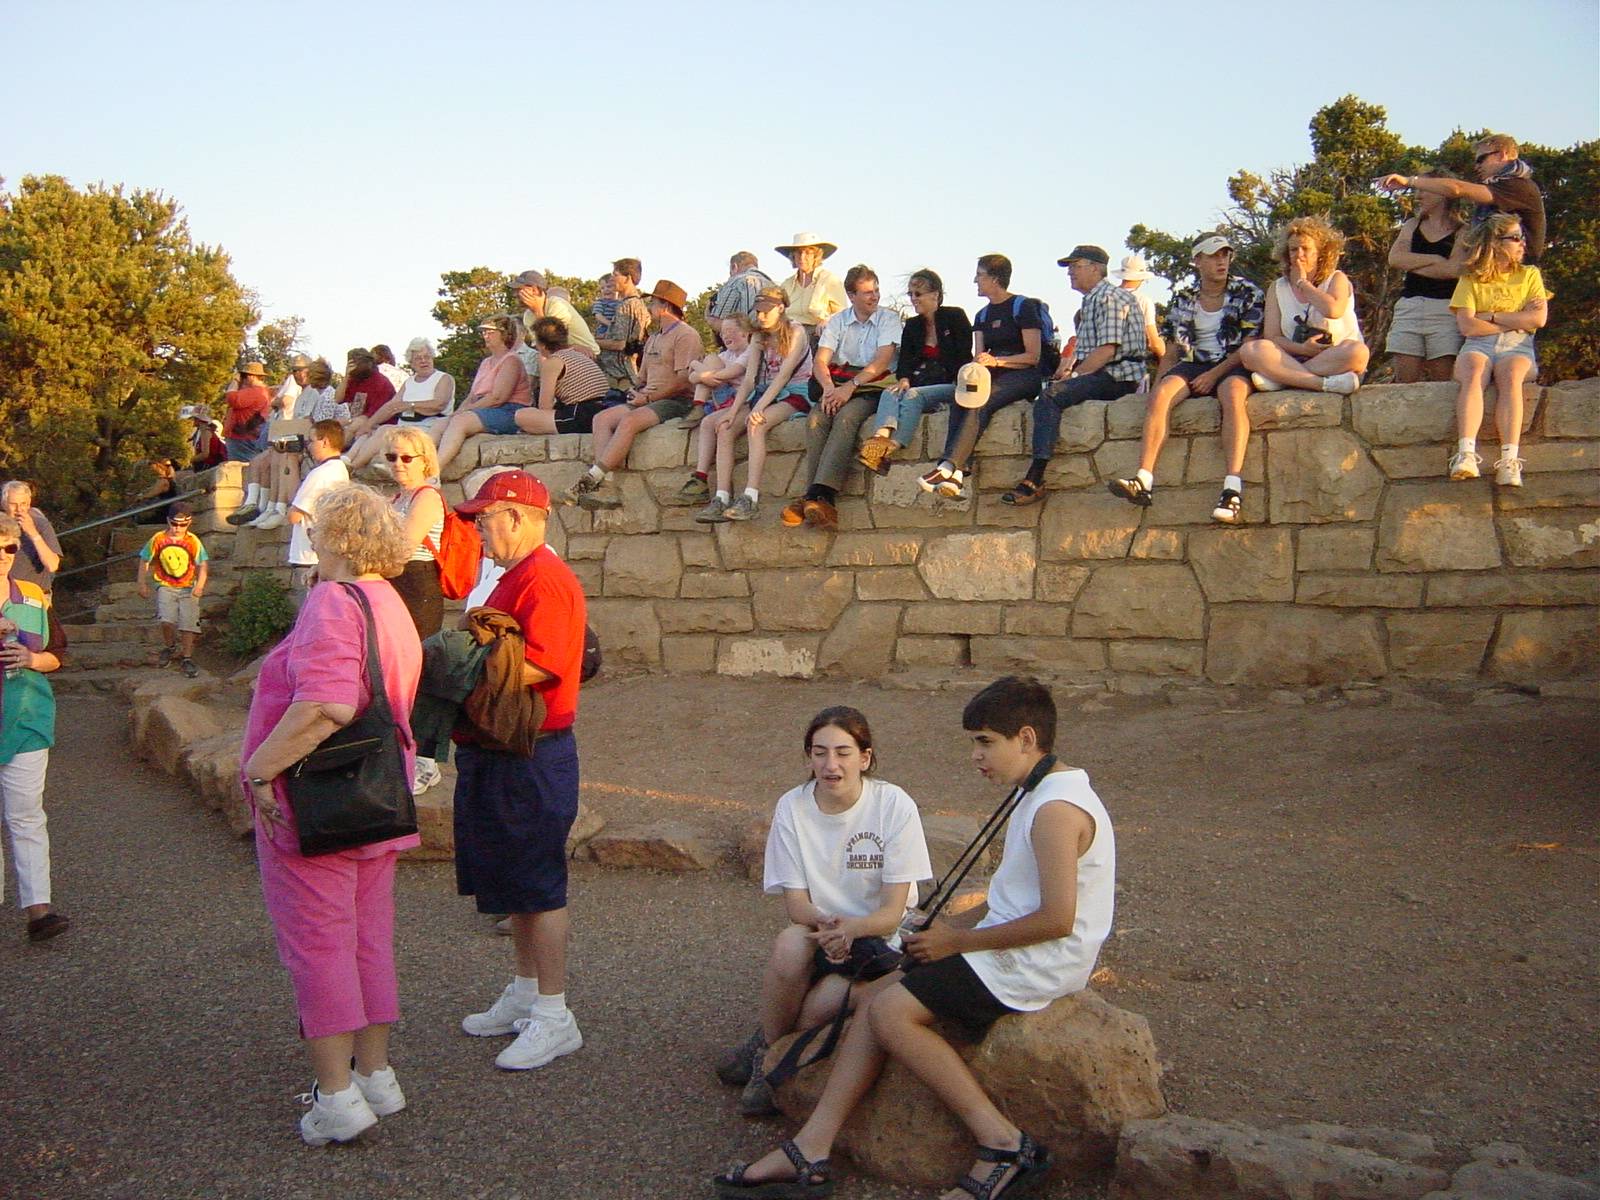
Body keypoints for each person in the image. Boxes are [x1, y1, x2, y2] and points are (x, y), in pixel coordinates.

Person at [714, 676, 1114, 1200]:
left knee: (888, 1011)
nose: (975, 756)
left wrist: (957, 943)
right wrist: (952, 936)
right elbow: (1021, 902)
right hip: (1011, 949)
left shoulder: (1055, 810)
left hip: (1034, 962)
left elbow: (1058, 920)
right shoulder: (1039, 791)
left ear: (1026, 738)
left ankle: (1003, 1144)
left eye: (984, 742)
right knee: (875, 999)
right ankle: (812, 1147)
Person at [240, 483, 422, 1146]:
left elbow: (327, 704)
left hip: (321, 800)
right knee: (366, 936)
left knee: (318, 942)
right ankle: (375, 1074)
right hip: (380, 795)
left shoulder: (329, 600)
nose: (310, 536)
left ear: (339, 538)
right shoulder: (389, 602)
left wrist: (259, 768)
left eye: (317, 527)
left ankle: (337, 1095)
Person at [716, 706, 932, 1116]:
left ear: (865, 758)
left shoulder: (893, 805)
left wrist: (850, 930)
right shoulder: (793, 808)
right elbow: (796, 904)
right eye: (819, 753)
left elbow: (891, 912)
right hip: (823, 929)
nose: (830, 765)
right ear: (809, 757)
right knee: (787, 946)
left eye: (843, 752)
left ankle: (771, 1043)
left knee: (821, 1003)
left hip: (876, 936)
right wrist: (828, 926)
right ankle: (770, 1057)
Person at [451, 470, 588, 1074]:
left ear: (516, 516)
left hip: (531, 751)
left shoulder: (545, 580)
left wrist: (462, 674)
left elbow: (546, 670)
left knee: (538, 882)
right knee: (517, 880)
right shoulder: (518, 576)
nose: (479, 526)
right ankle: (529, 992)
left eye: (486, 517)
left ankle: (555, 1015)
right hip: (506, 748)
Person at [1111, 235, 1266, 523]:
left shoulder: (1248, 293)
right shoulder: (1184, 298)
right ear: (1197, 260)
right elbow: (1171, 351)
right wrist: (1157, 386)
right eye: (1213, 255)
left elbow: (1250, 345)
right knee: (1162, 396)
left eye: (1225, 254)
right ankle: (1143, 479)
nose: (1221, 261)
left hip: (1233, 362)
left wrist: (1214, 375)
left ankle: (1232, 488)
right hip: (1194, 363)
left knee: (1233, 396)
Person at [1001, 245, 1149, 507]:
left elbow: (1106, 350)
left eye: (1075, 265)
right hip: (1104, 372)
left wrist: (1075, 377)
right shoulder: (1093, 299)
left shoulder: (1110, 298)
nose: (1069, 272)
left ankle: (1035, 477)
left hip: (1118, 376)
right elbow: (1086, 351)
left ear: (1095, 268)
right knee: (1052, 390)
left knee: (1051, 397)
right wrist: (1068, 371)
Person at [779, 266, 902, 531]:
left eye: (876, 290)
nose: (875, 297)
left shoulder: (888, 319)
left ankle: (819, 493)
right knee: (816, 419)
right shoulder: (837, 321)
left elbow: (881, 362)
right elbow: (821, 361)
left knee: (847, 417)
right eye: (867, 292)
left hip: (870, 384)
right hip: (838, 381)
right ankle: (819, 498)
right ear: (851, 295)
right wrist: (828, 388)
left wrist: (850, 387)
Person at [918, 254, 1045, 501]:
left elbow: (1033, 356)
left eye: (979, 275)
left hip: (1022, 374)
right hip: (990, 373)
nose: (975, 280)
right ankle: (957, 476)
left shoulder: (1022, 306)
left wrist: (997, 361)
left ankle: (946, 466)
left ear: (995, 279)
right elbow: (979, 354)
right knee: (961, 398)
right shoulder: (982, 315)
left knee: (981, 401)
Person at [565, 281, 702, 510]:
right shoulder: (654, 337)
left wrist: (648, 399)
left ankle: (590, 478)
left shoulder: (686, 335)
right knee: (602, 418)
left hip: (676, 401)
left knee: (629, 422)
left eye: (653, 302)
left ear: (665, 306)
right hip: (647, 398)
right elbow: (643, 377)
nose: (649, 307)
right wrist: (636, 391)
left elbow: (683, 379)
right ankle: (605, 486)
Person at [0, 511, 71, 942]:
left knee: (25, 816)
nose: (4, 556)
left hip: (25, 718)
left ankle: (38, 911)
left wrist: (29, 657)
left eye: (9, 548)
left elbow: (58, 654)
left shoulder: (30, 596)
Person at [1446, 214, 1551, 487]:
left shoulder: (1529, 275)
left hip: (1517, 346)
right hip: (1478, 344)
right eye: (1515, 238)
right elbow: (1467, 326)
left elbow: (1538, 320)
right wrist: (1515, 318)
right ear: (1495, 242)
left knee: (1511, 373)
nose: (1522, 244)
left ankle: (1509, 459)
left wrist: (1490, 316)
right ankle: (1466, 453)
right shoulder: (1471, 278)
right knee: (1474, 369)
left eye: (1522, 238)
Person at [691, 296, 811, 523]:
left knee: (756, 424)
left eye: (766, 311)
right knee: (725, 427)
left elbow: (784, 376)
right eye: (758, 312)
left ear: (781, 308)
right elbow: (748, 380)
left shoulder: (796, 331)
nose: (761, 316)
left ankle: (751, 497)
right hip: (763, 392)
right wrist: (733, 411)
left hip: (794, 391)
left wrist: (759, 408)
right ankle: (721, 497)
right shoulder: (758, 335)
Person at [856, 269, 973, 476]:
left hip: (950, 384)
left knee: (912, 396)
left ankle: (892, 447)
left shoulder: (954, 317)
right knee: (889, 391)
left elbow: (962, 356)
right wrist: (904, 378)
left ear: (935, 295)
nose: (913, 299)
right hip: (920, 382)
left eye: (917, 294)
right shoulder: (912, 325)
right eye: (910, 294)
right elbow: (905, 362)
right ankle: (881, 436)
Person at [384, 426, 449, 793]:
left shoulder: (427, 497)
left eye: (407, 457)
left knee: (422, 669)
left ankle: (426, 760)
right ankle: (403, 748)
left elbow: (403, 547)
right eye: (392, 457)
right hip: (396, 583)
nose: (398, 464)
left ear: (424, 460)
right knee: (398, 670)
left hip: (419, 583)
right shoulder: (397, 498)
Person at [1239, 216, 1368, 396]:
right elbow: (1273, 336)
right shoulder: (1277, 287)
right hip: (1293, 356)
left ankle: (1282, 379)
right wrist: (1302, 349)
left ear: (1320, 253)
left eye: (1305, 249)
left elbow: (1333, 310)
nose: (1299, 255)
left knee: (1358, 352)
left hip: (1334, 357)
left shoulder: (1337, 278)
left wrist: (1302, 283)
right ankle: (1321, 383)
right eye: (1293, 249)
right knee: (1251, 350)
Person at [1375, 132, 1546, 265]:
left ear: (1502, 155)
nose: (1476, 166)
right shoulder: (1499, 186)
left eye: (1481, 159)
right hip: (1494, 271)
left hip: (1514, 273)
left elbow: (1457, 189)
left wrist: (1409, 181)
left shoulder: (1519, 186)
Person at [1384, 171, 1466, 383]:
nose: (1418, 196)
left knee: (1443, 382)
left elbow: (1453, 270)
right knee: (1405, 381)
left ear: (1442, 193)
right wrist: (1437, 259)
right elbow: (1395, 258)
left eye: (1424, 190)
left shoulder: (1463, 231)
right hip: (1409, 307)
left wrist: (1413, 264)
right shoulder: (1412, 225)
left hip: (1445, 310)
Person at [433, 316, 532, 473]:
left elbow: (498, 397)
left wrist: (466, 412)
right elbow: (472, 395)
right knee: (440, 423)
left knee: (461, 422)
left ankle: (434, 471)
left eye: (490, 332)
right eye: (484, 332)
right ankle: (417, 462)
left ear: (504, 334)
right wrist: (458, 412)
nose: (485, 336)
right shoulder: (486, 362)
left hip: (508, 410)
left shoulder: (512, 360)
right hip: (483, 407)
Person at [346, 340, 456, 470]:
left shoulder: (443, 378)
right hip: (405, 424)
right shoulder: (409, 382)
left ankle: (354, 467)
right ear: (412, 363)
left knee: (387, 432)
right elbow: (391, 407)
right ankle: (350, 463)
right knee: (376, 431)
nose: (423, 361)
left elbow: (439, 404)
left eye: (426, 357)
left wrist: (410, 405)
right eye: (418, 358)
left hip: (429, 425)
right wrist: (368, 425)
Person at [137, 502, 209, 678]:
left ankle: (187, 657)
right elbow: (145, 559)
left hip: (187, 586)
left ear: (189, 522)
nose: (178, 528)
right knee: (166, 619)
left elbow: (202, 564)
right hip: (165, 584)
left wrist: (200, 585)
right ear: (168, 521)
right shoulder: (158, 538)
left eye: (182, 524)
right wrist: (141, 583)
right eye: (174, 524)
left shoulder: (193, 541)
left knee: (188, 622)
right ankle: (169, 646)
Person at [285, 420, 350, 601]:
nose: (309, 446)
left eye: (311, 441)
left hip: (308, 555)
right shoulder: (340, 469)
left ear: (325, 442)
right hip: (324, 552)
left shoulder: (321, 474)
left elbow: (294, 515)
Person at [513, 317, 613, 436]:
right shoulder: (577, 354)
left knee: (521, 416)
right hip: (604, 408)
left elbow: (545, 406)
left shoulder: (553, 362)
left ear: (543, 345)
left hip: (583, 414)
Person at [776, 232, 847, 346]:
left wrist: (827, 321)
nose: (802, 257)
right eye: (799, 253)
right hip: (788, 335)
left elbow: (843, 313)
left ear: (816, 256)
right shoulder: (786, 284)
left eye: (808, 253)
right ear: (793, 256)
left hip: (817, 337)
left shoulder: (830, 280)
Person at [513, 269, 600, 361]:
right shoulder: (528, 316)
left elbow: (552, 340)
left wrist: (537, 310)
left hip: (587, 356)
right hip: (563, 354)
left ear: (534, 290)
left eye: (519, 290)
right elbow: (543, 347)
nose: (514, 294)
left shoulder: (556, 304)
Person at [594, 259, 652, 392]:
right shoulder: (638, 304)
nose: (612, 279)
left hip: (618, 377)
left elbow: (619, 344)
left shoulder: (626, 306)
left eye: (615, 274)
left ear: (628, 278)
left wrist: (591, 342)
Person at [2, 482, 62, 599]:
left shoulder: (41, 525)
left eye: (23, 504)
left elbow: (52, 565)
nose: (19, 509)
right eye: (13, 504)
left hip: (35, 596)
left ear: (29, 503)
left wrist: (32, 532)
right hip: (5, 595)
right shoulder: (2, 525)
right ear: (4, 504)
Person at [1114, 253, 1166, 375]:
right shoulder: (1142, 301)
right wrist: (1165, 360)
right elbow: (1153, 341)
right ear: (1142, 277)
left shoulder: (1105, 297)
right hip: (1130, 366)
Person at [223, 362, 274, 462]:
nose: (243, 379)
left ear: (251, 376)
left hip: (241, 437)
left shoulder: (255, 391)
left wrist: (235, 381)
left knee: (239, 469)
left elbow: (232, 398)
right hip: (248, 435)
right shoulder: (262, 391)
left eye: (244, 376)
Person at [708, 251, 774, 327]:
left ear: (734, 267)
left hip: (745, 336)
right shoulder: (775, 286)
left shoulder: (736, 282)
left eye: (730, 273)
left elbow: (721, 323)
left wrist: (709, 318)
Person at [336, 349, 397, 429]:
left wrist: (349, 421)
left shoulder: (381, 383)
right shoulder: (355, 380)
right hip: (359, 423)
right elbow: (338, 399)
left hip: (380, 426)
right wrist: (346, 377)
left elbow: (370, 416)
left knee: (353, 427)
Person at [185, 403, 227, 471]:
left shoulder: (206, 432)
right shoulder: (200, 431)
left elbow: (205, 454)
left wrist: (189, 460)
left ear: (199, 420)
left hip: (208, 467)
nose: (192, 421)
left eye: (194, 419)